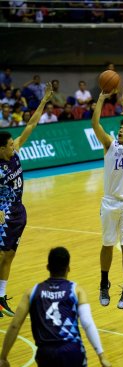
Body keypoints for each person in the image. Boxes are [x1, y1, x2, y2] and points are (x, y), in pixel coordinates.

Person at [0, 246, 111, 367]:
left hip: (46, 353)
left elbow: (14, 325)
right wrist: (101, 355)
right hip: (72, 351)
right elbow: (87, 323)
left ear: (47, 267)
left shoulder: (32, 292)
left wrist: (3, 357)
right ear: (68, 268)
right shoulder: (76, 290)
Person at [0, 82, 53, 317]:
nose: (14, 145)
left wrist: (44, 101)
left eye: (13, 143)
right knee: (0, 254)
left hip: (19, 211)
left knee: (9, 254)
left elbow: (31, 124)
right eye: (10, 145)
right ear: (1, 149)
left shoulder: (16, 151)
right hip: (3, 212)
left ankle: (0, 297)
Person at [92, 84, 123, 309]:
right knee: (107, 244)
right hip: (109, 202)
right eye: (120, 129)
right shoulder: (109, 146)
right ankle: (104, 283)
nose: (121, 131)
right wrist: (102, 99)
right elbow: (95, 124)